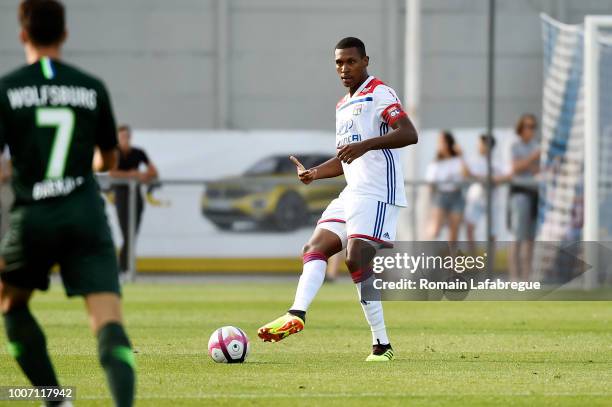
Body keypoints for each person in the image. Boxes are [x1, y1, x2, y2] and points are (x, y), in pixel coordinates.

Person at [0, 1, 135, 406]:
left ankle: (56, 399)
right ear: (65, 35)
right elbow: (108, 161)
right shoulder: (90, 87)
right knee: (107, 319)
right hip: (84, 213)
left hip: (33, 215)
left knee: (10, 302)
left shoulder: (8, 89)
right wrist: (85, 162)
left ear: (23, 34)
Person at [258, 37, 418, 361]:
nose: (344, 68)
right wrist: (314, 173)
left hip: (378, 193)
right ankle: (296, 314)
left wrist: (367, 145)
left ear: (365, 61)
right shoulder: (342, 106)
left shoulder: (379, 93)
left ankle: (381, 345)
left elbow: (409, 133)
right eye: (338, 63)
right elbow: (345, 156)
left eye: (350, 61)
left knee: (355, 255)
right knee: (313, 248)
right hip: (352, 192)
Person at [109, 125, 158, 274]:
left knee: (133, 232)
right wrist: (132, 175)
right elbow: (113, 173)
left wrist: (141, 175)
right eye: (121, 136)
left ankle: (124, 266)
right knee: (126, 232)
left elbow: (153, 172)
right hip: (121, 196)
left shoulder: (138, 152)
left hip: (135, 195)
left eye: (126, 136)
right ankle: (123, 266)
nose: (124, 139)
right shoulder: (114, 153)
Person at [462, 134, 509, 250]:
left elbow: (506, 176)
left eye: (480, 144)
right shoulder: (473, 160)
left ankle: (490, 263)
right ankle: (473, 261)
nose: (478, 146)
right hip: (475, 198)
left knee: (492, 233)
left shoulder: (497, 162)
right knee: (469, 227)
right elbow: (466, 174)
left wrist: (491, 179)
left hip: (493, 200)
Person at [508, 114, 540, 281]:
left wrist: (527, 164)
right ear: (521, 128)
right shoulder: (515, 145)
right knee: (517, 236)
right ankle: (514, 277)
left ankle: (527, 277)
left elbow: (538, 170)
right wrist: (531, 160)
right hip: (520, 193)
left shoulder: (537, 146)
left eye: (534, 126)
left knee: (530, 238)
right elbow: (516, 168)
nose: (531, 130)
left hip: (535, 193)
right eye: (528, 126)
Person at [425, 131, 465, 242]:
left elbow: (466, 174)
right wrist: (431, 203)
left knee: (454, 233)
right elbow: (430, 184)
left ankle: (451, 258)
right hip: (441, 196)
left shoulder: (458, 160)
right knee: (435, 231)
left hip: (457, 196)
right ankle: (423, 254)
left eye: (442, 142)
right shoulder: (435, 163)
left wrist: (461, 156)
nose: (440, 145)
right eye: (439, 142)